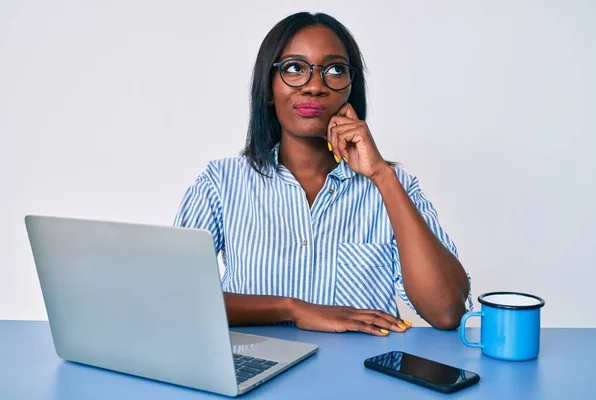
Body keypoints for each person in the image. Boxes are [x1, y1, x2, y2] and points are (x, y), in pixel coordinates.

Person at [174, 12, 472, 336]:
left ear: (350, 90)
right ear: (268, 89)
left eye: (334, 70)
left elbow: (446, 311)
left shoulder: (394, 188)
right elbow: (175, 296)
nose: (315, 86)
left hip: (360, 382)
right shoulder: (220, 184)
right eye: (294, 68)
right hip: (257, 379)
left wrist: (382, 175)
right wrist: (291, 309)